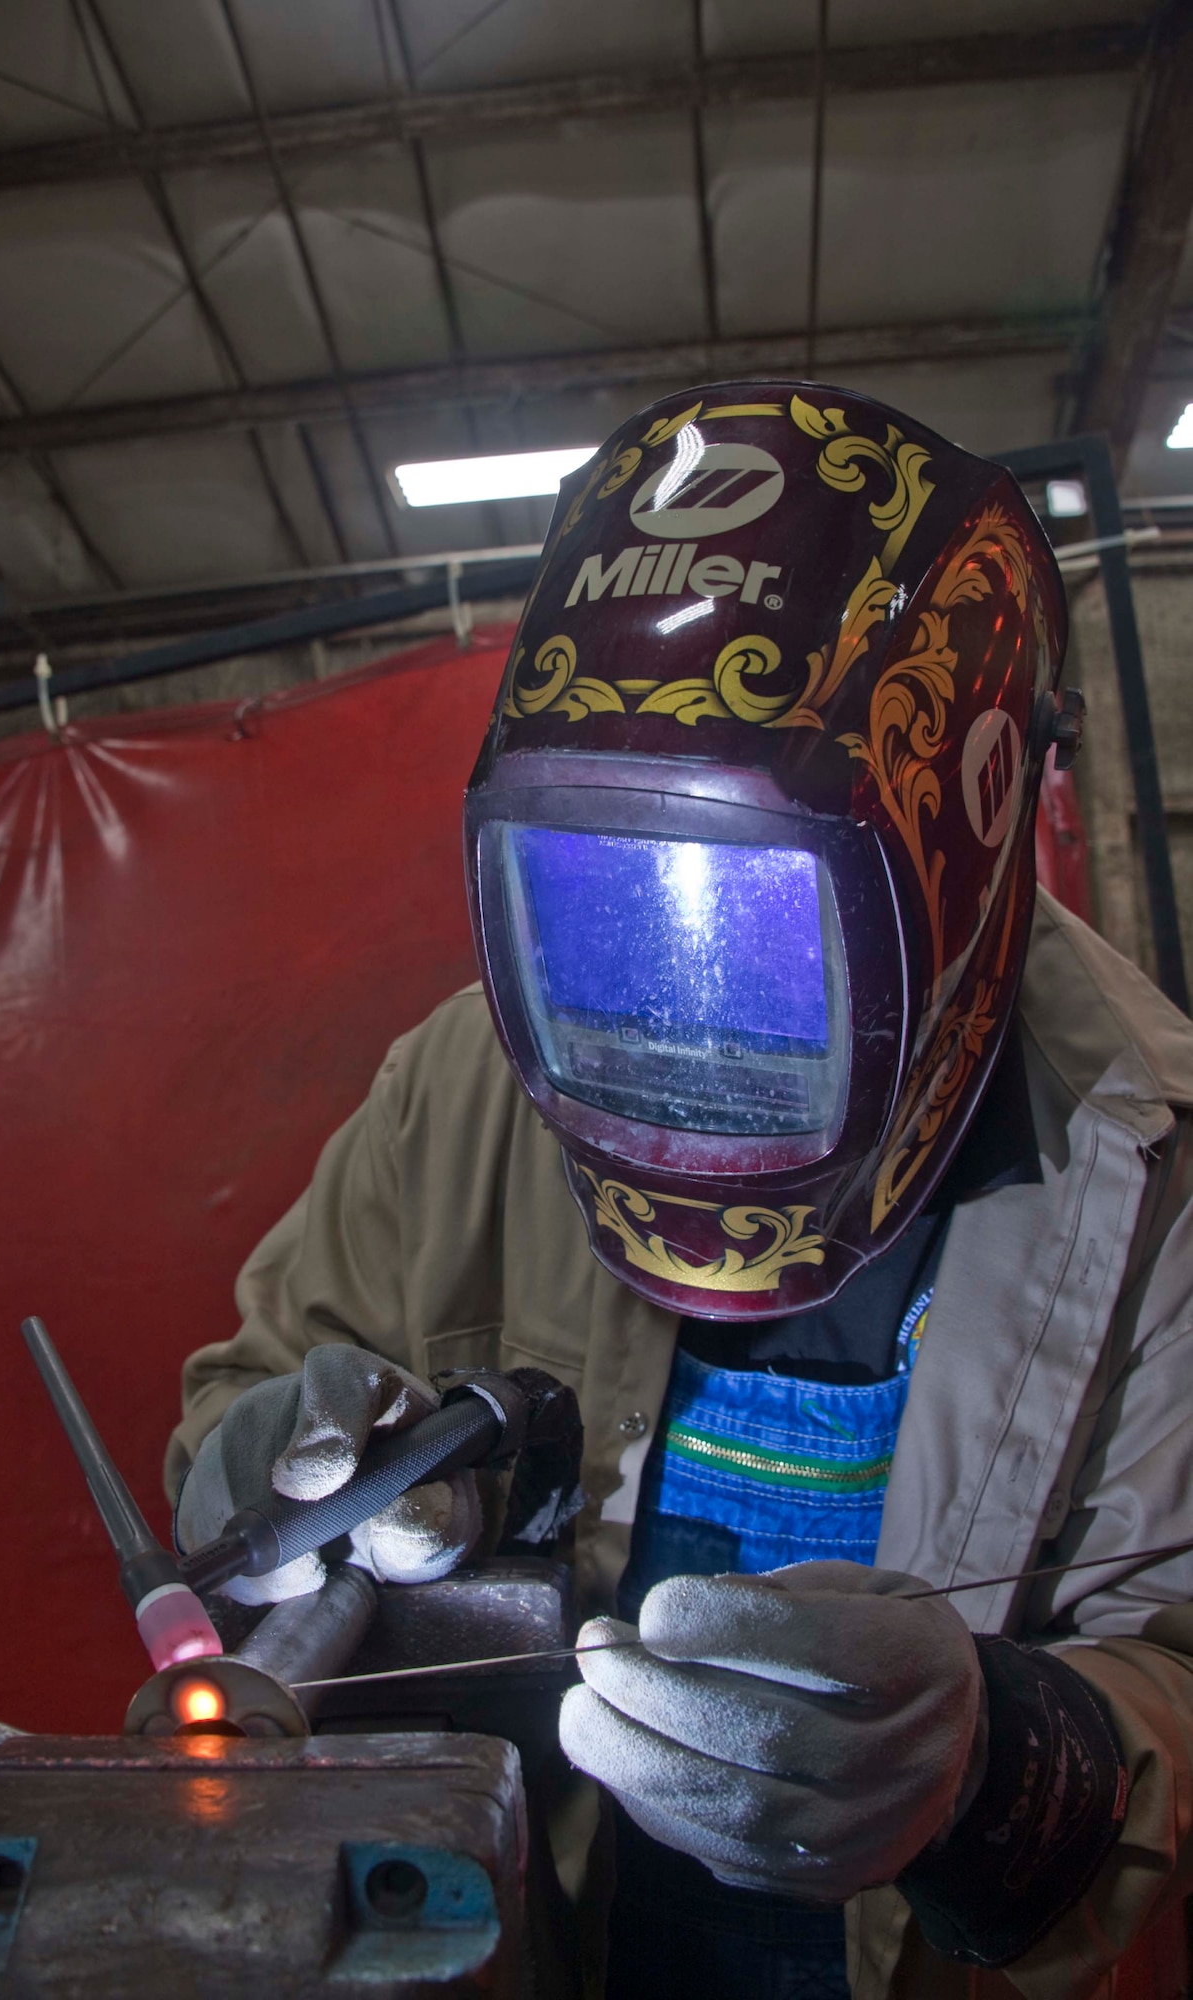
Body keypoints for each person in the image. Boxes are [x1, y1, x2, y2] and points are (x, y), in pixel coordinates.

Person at [167, 383, 1193, 2000]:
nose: (677, 1024)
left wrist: (1006, 1765)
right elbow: (250, 1399)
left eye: (758, 932)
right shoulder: (465, 1077)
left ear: (967, 824)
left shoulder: (1162, 1176)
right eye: (602, 910)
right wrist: (258, 1471)